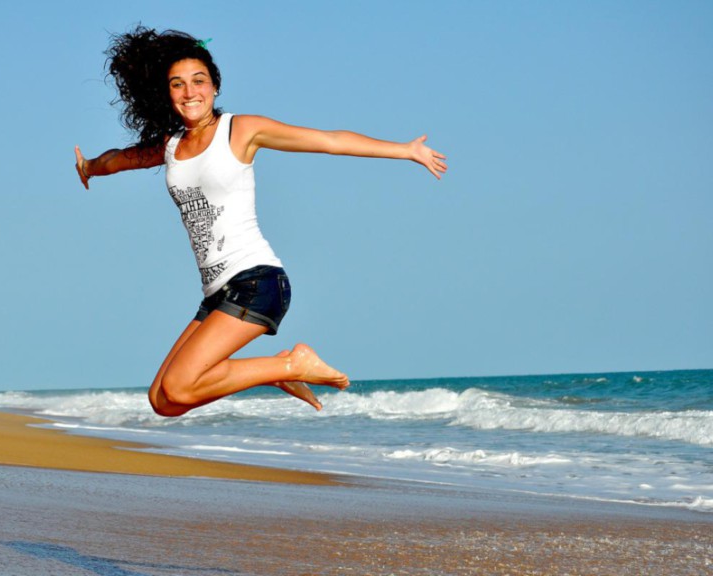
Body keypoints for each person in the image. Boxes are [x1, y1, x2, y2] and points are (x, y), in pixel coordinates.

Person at [75, 27, 447, 417]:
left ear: (215, 86)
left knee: (181, 386)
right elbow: (119, 159)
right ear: (166, 94)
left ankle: (290, 364)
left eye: (199, 81)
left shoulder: (240, 130)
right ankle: (274, 371)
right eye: (178, 84)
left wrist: (405, 151)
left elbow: (328, 140)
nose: (190, 92)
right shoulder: (171, 146)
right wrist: (89, 167)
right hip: (217, 293)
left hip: (256, 282)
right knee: (163, 400)